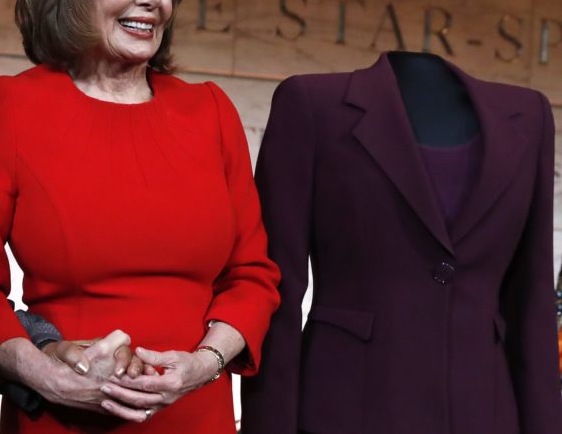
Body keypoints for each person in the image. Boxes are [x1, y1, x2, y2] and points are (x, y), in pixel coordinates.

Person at [0, 0, 282, 433]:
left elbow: (251, 276)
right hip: (62, 416)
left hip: (196, 415)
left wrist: (202, 366)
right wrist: (51, 376)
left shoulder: (210, 111)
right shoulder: (9, 107)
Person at [241, 52, 562, 433]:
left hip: (483, 413)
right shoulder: (313, 106)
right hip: (347, 412)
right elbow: (277, 291)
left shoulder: (530, 118)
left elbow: (532, 302)